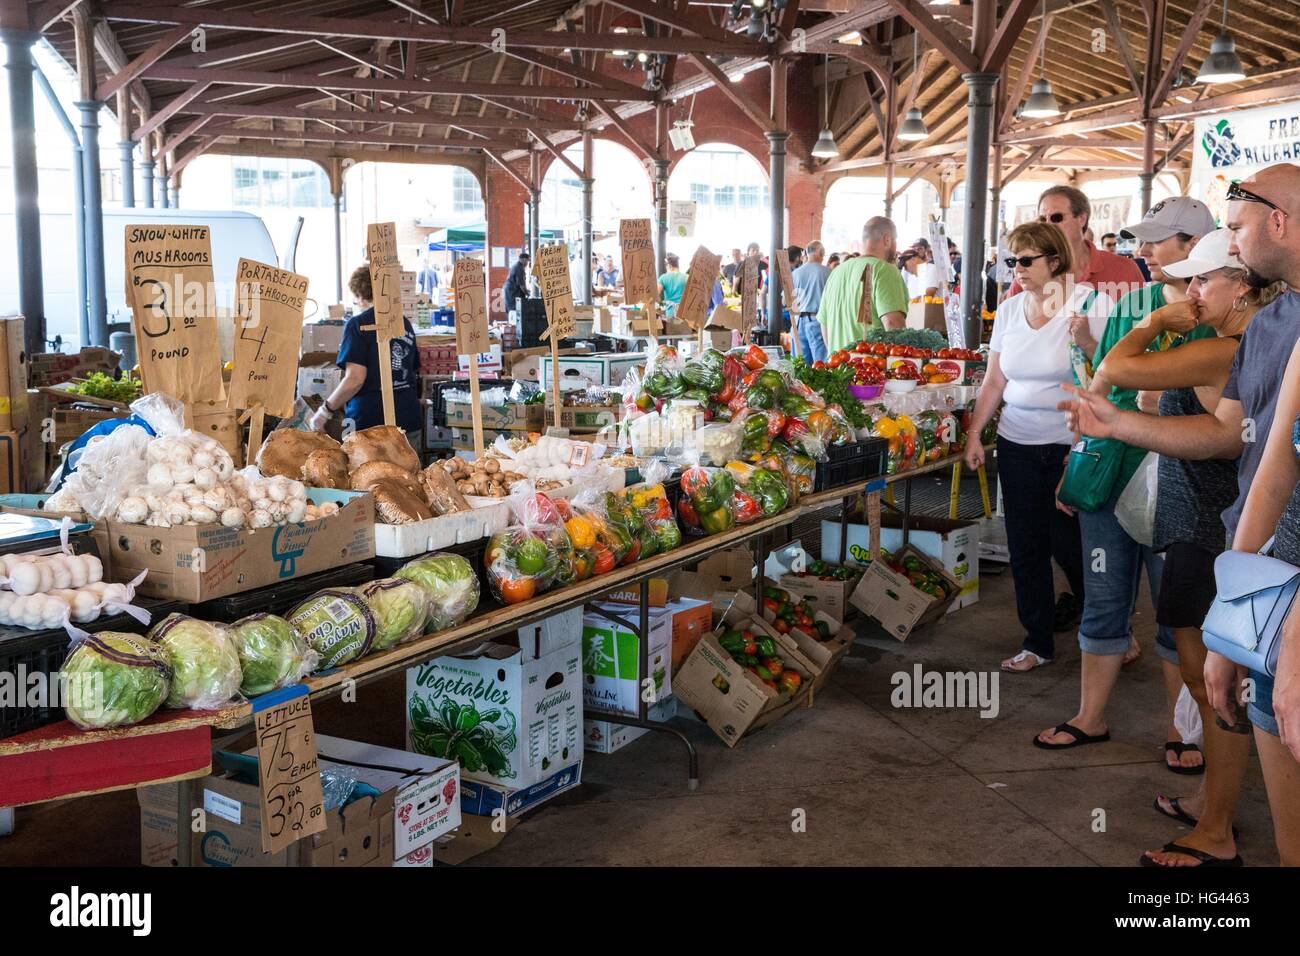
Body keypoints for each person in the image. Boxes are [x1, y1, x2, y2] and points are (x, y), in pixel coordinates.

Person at [1062, 163, 1300, 867]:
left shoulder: (1237, 336)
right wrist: (1241, 598)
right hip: (1253, 557)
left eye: (1206, 265)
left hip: (1237, 547)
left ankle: (1217, 827)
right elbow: (1261, 462)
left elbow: (1122, 372)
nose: (1186, 289)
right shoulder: (1280, 327)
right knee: (1256, 714)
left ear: (1277, 223)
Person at [1035, 196, 1216, 746]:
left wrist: (1165, 406)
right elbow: (1102, 383)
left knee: (1176, 611)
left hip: (1182, 483)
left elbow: (1227, 408)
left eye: (1159, 240)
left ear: (1193, 246)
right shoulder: (1133, 300)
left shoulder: (1223, 315)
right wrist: (1078, 455)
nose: (1146, 250)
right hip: (1112, 473)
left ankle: (1182, 730)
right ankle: (1091, 716)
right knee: (1104, 592)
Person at [965, 222, 1111, 673]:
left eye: (1026, 261)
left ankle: (1107, 633)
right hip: (1017, 444)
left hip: (1073, 448)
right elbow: (995, 380)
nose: (1018, 270)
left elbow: (1111, 373)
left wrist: (1087, 341)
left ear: (1055, 260)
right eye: (1012, 261)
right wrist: (975, 432)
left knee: (1074, 547)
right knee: (1025, 545)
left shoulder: (1091, 304)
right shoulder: (1009, 311)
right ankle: (1037, 641)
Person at [310, 264, 422, 446]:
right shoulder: (403, 324)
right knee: (409, 474)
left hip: (368, 422)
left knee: (365, 473)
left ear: (360, 295)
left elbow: (355, 379)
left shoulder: (358, 325)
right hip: (407, 418)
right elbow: (413, 370)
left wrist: (325, 410)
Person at [1009, 185, 1144, 304]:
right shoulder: (1028, 272)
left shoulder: (1124, 270)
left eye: (1057, 218)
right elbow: (1009, 326)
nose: (1048, 225)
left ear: (1082, 219)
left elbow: (1143, 325)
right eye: (1043, 219)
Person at [817, 217, 909, 352]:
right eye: (895, 240)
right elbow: (893, 324)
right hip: (871, 369)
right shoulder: (884, 270)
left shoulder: (836, 272)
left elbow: (824, 325)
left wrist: (836, 358)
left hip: (837, 368)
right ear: (887, 239)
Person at [791, 240, 831, 363]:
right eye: (823, 254)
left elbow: (786, 300)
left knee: (800, 365)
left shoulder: (795, 273)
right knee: (820, 364)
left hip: (798, 322)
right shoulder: (827, 272)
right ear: (820, 252)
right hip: (817, 321)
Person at [503, 252, 531, 318]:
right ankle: (514, 326)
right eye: (527, 261)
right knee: (515, 309)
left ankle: (513, 325)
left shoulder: (516, 265)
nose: (527, 263)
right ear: (524, 259)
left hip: (509, 290)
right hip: (512, 292)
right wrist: (528, 294)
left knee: (511, 310)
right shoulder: (519, 268)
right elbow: (522, 285)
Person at [658, 254, 686, 318]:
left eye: (666, 267)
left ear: (669, 266)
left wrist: (662, 303)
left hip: (670, 314)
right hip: (684, 314)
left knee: (672, 327)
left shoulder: (663, 278)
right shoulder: (687, 277)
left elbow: (655, 295)